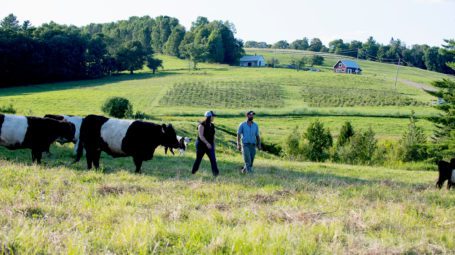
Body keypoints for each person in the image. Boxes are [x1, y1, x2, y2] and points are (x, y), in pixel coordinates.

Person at [191, 111, 219, 177]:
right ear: (209, 117)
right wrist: (207, 143)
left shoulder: (212, 125)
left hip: (210, 145)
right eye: (213, 116)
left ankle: (216, 174)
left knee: (213, 159)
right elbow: (201, 136)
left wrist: (213, 144)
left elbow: (213, 136)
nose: (214, 117)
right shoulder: (201, 125)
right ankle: (193, 172)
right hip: (201, 145)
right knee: (199, 159)